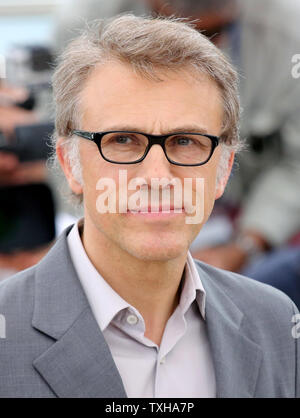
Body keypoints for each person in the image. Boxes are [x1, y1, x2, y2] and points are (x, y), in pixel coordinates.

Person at [0, 15, 299, 398]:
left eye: (186, 141)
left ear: (223, 170)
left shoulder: (278, 324)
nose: (158, 176)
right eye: (122, 140)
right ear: (70, 164)